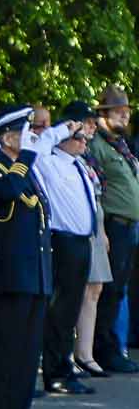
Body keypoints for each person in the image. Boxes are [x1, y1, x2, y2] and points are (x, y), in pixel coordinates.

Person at [0, 107, 52, 409]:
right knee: (7, 352)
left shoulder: (24, 167)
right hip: (12, 274)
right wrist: (24, 157)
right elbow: (6, 193)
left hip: (35, 274)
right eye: (24, 132)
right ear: (9, 136)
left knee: (27, 353)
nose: (30, 139)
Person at [37, 113, 100, 394]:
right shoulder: (49, 161)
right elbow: (35, 148)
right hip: (63, 242)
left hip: (82, 241)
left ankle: (66, 364)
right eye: (78, 136)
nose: (84, 140)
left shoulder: (78, 165)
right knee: (60, 311)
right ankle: (56, 373)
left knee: (72, 309)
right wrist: (61, 129)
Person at [90, 89, 139, 374]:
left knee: (117, 290)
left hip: (128, 226)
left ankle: (108, 347)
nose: (125, 114)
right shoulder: (98, 145)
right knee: (108, 291)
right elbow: (97, 187)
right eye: (118, 110)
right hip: (113, 225)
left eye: (126, 110)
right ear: (103, 115)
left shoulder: (120, 145)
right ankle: (104, 350)